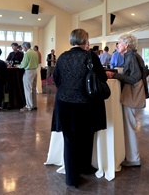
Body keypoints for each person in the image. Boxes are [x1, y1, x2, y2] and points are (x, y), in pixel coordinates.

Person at [51, 28, 107, 187]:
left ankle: (71, 177)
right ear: (85, 41)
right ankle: (83, 169)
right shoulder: (90, 56)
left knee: (69, 140)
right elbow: (101, 78)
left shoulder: (62, 57)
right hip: (85, 104)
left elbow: (56, 78)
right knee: (86, 137)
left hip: (64, 103)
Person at [106, 33, 149, 168]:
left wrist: (115, 75)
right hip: (131, 95)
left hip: (131, 95)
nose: (117, 45)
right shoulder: (132, 56)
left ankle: (133, 158)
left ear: (126, 45)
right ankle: (131, 156)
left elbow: (134, 78)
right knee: (130, 124)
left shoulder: (131, 57)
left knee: (130, 125)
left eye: (119, 42)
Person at [19, 42, 39, 111]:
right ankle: (34, 105)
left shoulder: (27, 53)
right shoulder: (35, 52)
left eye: (23, 47)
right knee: (33, 89)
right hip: (35, 71)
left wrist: (19, 66)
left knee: (28, 89)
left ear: (25, 47)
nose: (22, 49)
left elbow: (24, 64)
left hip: (29, 71)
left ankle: (29, 106)